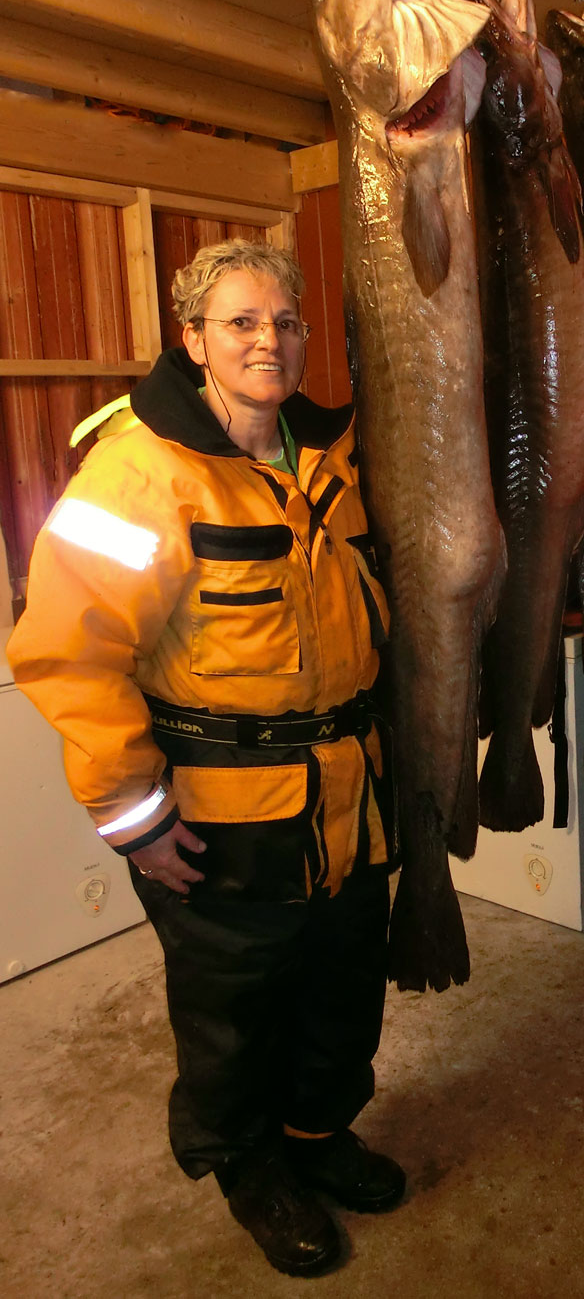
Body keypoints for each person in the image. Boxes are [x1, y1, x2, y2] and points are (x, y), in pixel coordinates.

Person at [7, 240, 403, 1276]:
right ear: (191, 338)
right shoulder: (139, 467)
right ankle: (249, 1163)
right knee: (234, 1007)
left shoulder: (334, 453)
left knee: (341, 984)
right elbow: (67, 646)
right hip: (224, 813)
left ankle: (319, 1136)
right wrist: (131, 811)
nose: (269, 339)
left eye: (286, 321)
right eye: (240, 321)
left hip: (349, 797)